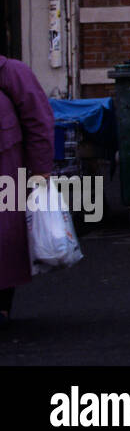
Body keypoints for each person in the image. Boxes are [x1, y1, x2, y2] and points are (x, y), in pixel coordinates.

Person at [0, 54, 54, 326]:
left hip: (6, 176)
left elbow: (39, 121)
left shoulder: (11, 72)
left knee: (5, 243)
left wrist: (41, 170)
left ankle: (2, 306)